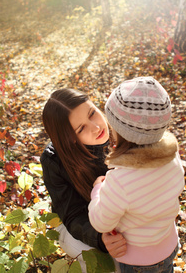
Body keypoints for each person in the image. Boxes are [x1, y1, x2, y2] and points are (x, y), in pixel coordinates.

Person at [88, 76, 185, 273]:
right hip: (168, 245)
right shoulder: (173, 157)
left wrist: (98, 189)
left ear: (121, 131)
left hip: (139, 261)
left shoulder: (120, 182)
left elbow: (100, 222)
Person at [40, 88, 126, 272]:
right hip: (81, 224)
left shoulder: (122, 127)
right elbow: (72, 214)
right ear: (68, 139)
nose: (96, 127)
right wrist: (100, 238)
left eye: (92, 113)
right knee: (112, 263)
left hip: (118, 212)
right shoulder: (54, 160)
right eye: (81, 128)